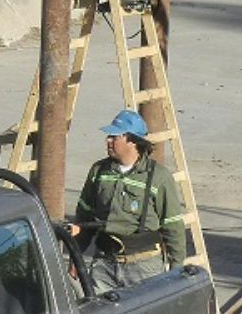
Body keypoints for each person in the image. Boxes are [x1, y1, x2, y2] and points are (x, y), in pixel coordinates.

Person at [71, 110, 185, 293]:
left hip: (144, 268)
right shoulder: (99, 171)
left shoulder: (159, 178)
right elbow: (84, 218)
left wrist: (176, 270)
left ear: (132, 141)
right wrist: (75, 258)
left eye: (115, 136)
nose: (108, 140)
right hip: (104, 265)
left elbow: (173, 226)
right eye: (109, 136)